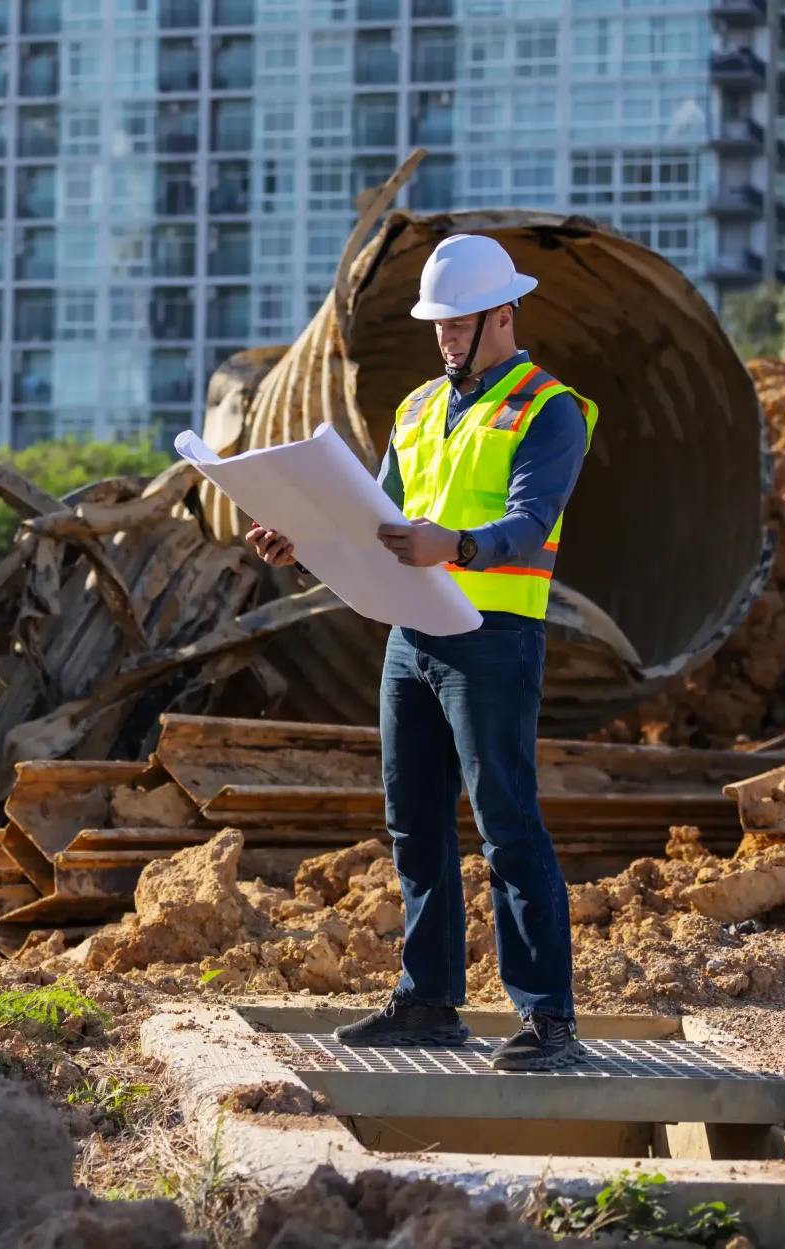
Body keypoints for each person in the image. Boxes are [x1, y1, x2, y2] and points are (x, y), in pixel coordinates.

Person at [245, 234, 597, 1072]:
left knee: (508, 824)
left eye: (457, 323)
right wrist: (303, 542)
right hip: (412, 637)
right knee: (415, 825)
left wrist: (458, 545)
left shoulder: (550, 409)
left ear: (502, 316)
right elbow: (376, 514)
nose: (442, 337)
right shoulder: (413, 410)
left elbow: (529, 520)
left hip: (494, 640)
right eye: (435, 323)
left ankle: (549, 1019)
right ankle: (430, 1001)